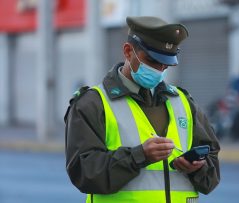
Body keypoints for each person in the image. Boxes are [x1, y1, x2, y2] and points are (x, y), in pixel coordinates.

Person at [65, 16, 220, 203]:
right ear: (128, 51)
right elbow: (84, 173)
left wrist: (197, 167)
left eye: (166, 64)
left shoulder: (184, 103)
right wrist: (139, 155)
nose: (160, 69)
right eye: (153, 61)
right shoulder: (92, 104)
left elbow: (211, 177)